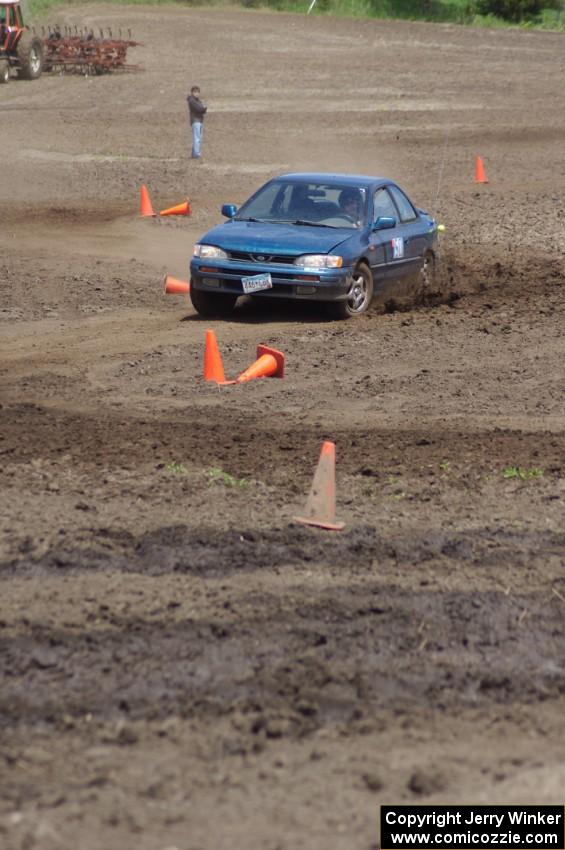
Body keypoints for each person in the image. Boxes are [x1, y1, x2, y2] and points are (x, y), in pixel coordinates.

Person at [187, 85, 207, 160]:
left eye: (198, 92)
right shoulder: (192, 100)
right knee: (197, 138)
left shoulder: (197, 100)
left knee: (198, 137)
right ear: (192, 93)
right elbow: (200, 108)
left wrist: (203, 109)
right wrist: (203, 108)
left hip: (199, 120)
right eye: (195, 92)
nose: (197, 94)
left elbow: (202, 109)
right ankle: (196, 154)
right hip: (196, 120)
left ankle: (194, 153)